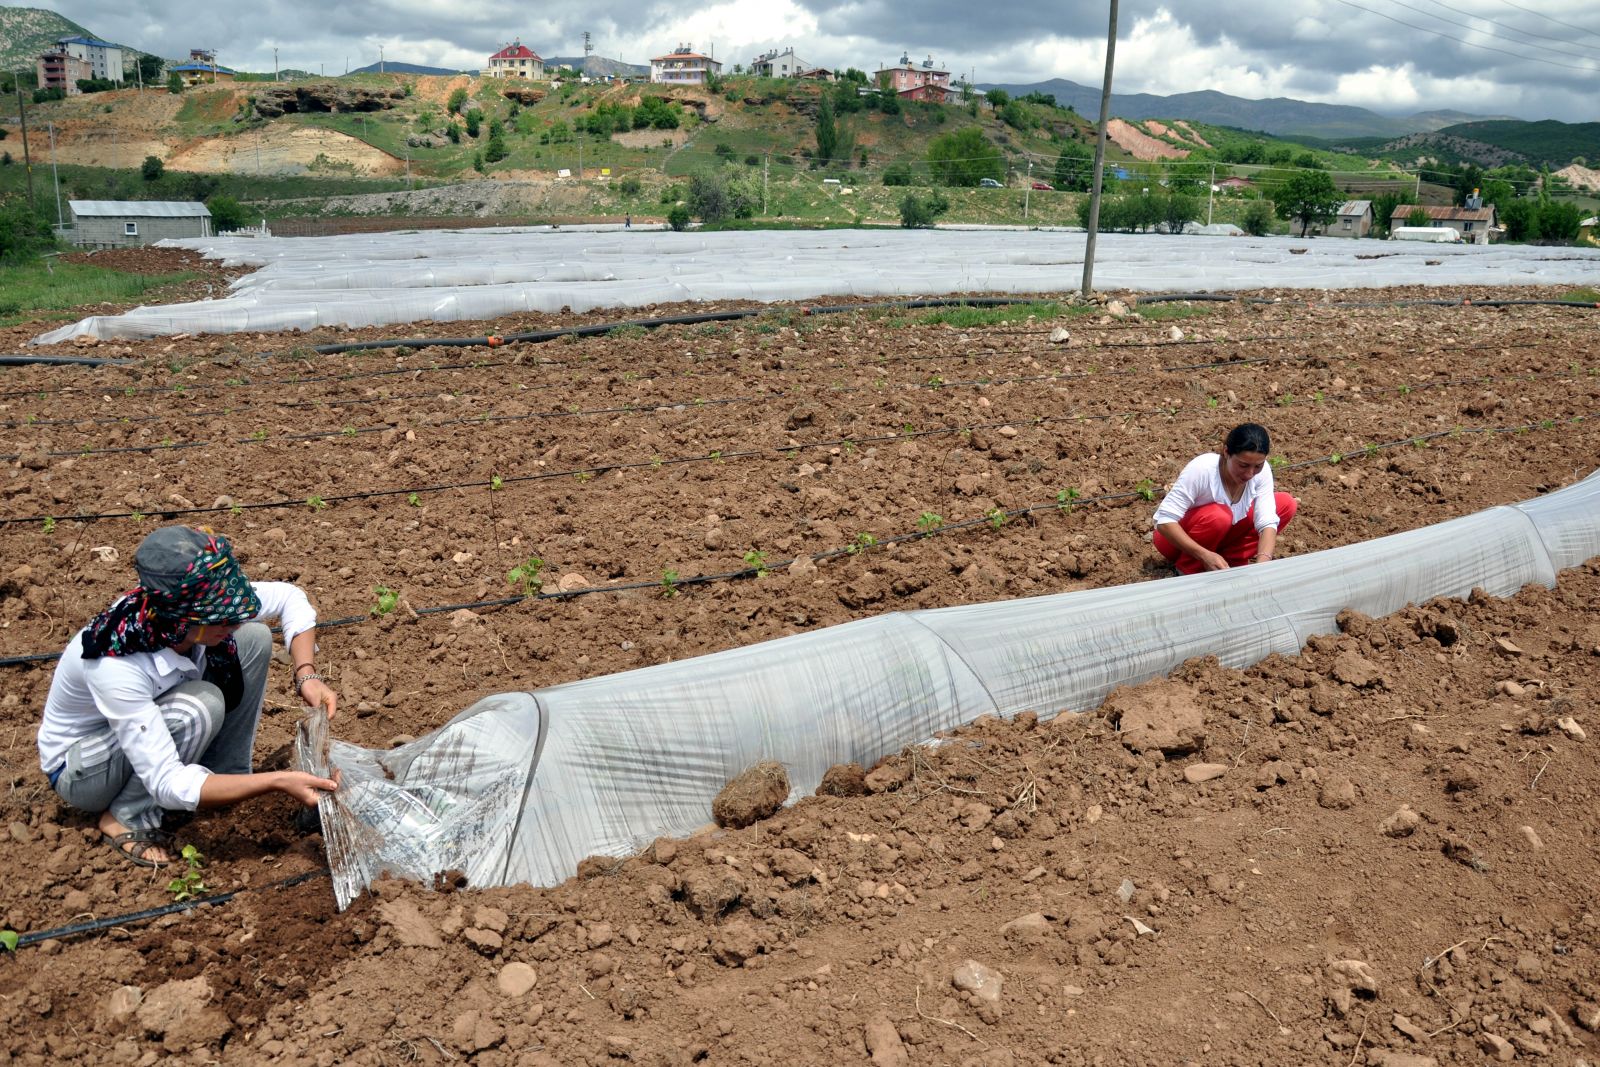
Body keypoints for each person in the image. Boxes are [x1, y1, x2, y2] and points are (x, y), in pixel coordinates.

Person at [37, 526, 341, 867]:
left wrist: (306, 674)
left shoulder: (187, 602)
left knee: (253, 638)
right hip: (84, 769)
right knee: (200, 705)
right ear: (181, 618)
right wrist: (276, 781)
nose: (233, 621)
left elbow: (290, 598)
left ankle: (228, 773)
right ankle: (127, 816)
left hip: (145, 729)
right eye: (219, 617)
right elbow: (165, 780)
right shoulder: (115, 662)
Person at [1152, 423, 1298, 575]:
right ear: (1227, 452)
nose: (1250, 474)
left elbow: (1267, 520)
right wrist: (1204, 555)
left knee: (1286, 504)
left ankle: (1231, 562)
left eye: (1257, 466)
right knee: (1220, 516)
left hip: (1220, 537)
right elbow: (1164, 521)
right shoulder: (1203, 470)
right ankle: (1189, 569)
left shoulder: (1261, 472)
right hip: (1175, 542)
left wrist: (1263, 565)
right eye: (1243, 465)